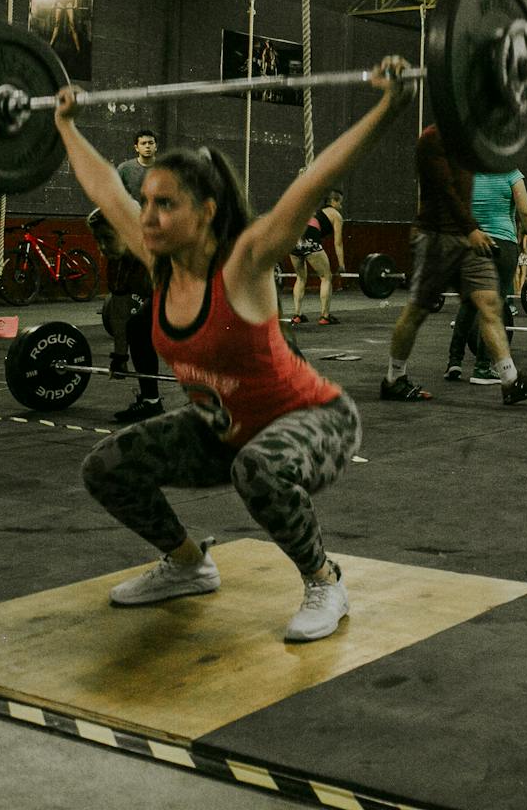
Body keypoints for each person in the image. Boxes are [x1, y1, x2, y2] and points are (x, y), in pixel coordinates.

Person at [56, 56, 411, 643]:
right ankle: (189, 564)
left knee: (259, 469)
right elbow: (101, 186)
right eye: (145, 202)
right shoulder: (159, 263)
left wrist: (387, 107)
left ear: (206, 211)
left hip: (315, 421)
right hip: (223, 430)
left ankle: (325, 581)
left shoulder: (243, 264)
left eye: (164, 204)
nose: (147, 215)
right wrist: (64, 125)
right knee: (106, 467)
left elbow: (311, 184)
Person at [383, 125, 527, 406]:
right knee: (416, 311)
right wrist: (471, 229)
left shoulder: (474, 142)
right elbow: (445, 189)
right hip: (436, 236)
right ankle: (394, 378)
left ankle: (510, 380)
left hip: (469, 236)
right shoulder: (432, 139)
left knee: (489, 302)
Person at [446, 172, 527, 385]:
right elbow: (526, 211)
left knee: (469, 303)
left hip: (471, 243)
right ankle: (482, 368)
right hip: (502, 243)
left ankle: (454, 362)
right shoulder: (511, 172)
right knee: (495, 307)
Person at [92, 209, 162, 424]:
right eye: (99, 240)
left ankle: (206, 400)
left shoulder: (161, 246)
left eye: (108, 238)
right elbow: (120, 313)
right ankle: (151, 401)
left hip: (201, 289)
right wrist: (119, 357)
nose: (103, 247)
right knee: (137, 326)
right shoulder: (118, 263)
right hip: (163, 294)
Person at [290, 189, 346, 326]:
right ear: (333, 201)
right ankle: (325, 316)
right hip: (310, 240)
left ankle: (297, 315)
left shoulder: (315, 212)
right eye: (340, 203)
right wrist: (341, 264)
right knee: (326, 277)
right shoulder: (336, 215)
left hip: (294, 241)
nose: (341, 206)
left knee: (301, 277)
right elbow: (338, 242)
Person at [117, 130, 158, 200]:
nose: (147, 146)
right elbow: (115, 194)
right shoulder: (124, 169)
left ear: (156, 146)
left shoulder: (165, 167)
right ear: (136, 148)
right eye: (143, 143)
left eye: (150, 143)